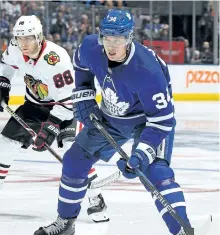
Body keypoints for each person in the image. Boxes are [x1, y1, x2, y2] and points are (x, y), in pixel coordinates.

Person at [34, 9, 191, 235]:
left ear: (129, 38)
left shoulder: (148, 71)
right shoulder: (90, 47)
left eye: (118, 39)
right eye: (107, 38)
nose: (111, 45)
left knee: (155, 170)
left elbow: (162, 121)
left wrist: (141, 154)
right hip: (110, 118)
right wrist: (84, 93)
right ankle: (65, 223)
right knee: (75, 160)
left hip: (147, 122)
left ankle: (181, 229)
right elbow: (80, 64)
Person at [0, 15, 109, 223]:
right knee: (3, 145)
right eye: (20, 38)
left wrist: (48, 130)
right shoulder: (15, 48)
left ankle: (95, 197)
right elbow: (5, 64)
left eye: (29, 38)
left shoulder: (56, 59)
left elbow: (67, 102)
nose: (24, 43)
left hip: (66, 109)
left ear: (39, 36)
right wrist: (3, 85)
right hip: (33, 106)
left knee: (73, 154)